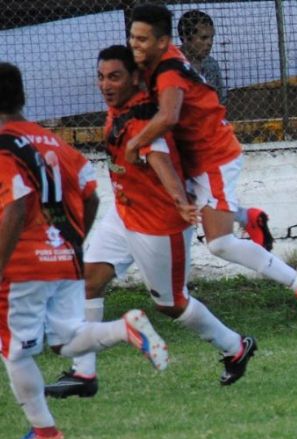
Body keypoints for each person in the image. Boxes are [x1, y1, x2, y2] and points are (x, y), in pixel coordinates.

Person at [44, 45, 256, 398]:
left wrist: (178, 200)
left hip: (158, 223)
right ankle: (84, 376)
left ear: (135, 78)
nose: (106, 84)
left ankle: (235, 346)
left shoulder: (142, 118)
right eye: (101, 76)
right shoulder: (121, 109)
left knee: (171, 304)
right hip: (125, 212)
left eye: (114, 76)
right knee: (88, 282)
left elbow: (159, 159)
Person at [127, 4, 297, 331]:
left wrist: (135, 144)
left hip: (213, 158)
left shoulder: (169, 72)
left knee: (219, 243)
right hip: (196, 158)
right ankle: (245, 216)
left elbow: (169, 117)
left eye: (143, 39)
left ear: (164, 42)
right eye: (133, 38)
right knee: (183, 204)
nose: (135, 45)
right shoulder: (161, 63)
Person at [0, 62, 168, 439]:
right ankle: (125, 328)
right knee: (66, 339)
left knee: (15, 353)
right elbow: (90, 193)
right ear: (22, 97)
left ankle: (46, 431)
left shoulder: (3, 146)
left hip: (23, 264)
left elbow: (15, 206)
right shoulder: (54, 142)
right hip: (65, 258)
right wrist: (74, 240)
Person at [178, 10, 227, 104]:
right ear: (185, 37)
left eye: (211, 37)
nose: (209, 43)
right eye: (203, 38)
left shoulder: (212, 65)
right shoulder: (173, 64)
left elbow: (221, 100)